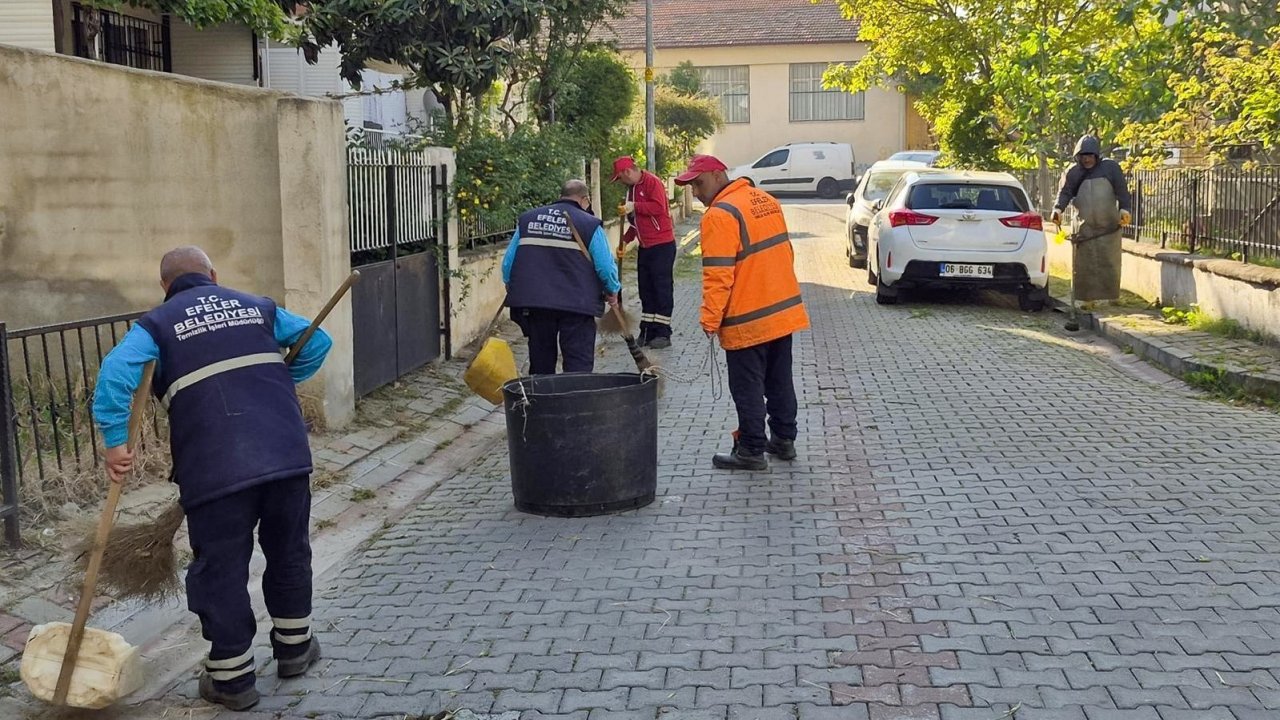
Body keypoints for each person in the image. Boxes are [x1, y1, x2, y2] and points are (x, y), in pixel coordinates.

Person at [92, 246, 331, 712]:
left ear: (165, 286)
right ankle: (296, 649)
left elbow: (116, 374)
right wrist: (282, 381)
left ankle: (232, 679)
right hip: (284, 454)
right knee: (289, 550)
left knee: (220, 568)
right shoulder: (257, 306)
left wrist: (116, 443)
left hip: (215, 468)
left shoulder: (156, 326)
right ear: (213, 275)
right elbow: (317, 341)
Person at [674, 155, 810, 471]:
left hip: (747, 320)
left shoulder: (719, 216)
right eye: (691, 185)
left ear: (719, 175)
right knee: (779, 380)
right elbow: (784, 254)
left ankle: (750, 449)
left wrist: (710, 319)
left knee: (747, 387)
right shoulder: (765, 200)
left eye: (698, 182)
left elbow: (718, 275)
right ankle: (784, 441)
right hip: (781, 313)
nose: (695, 191)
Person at [503, 179, 621, 374]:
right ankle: (574, 400)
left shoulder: (528, 219)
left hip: (536, 303)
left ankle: (542, 399)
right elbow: (605, 266)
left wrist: (510, 283)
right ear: (585, 199)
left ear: (561, 196)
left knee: (541, 361)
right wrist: (612, 290)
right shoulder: (589, 224)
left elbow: (508, 262)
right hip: (577, 304)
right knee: (578, 363)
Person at [1051, 135, 1132, 301]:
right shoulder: (1072, 172)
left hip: (1109, 228)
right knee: (1084, 266)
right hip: (1084, 229)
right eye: (1083, 156)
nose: (1087, 159)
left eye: (1090, 155)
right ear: (1078, 156)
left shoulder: (1111, 168)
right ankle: (1085, 298)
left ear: (1096, 155)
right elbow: (1065, 192)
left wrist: (1125, 209)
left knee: (1108, 263)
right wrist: (1058, 209)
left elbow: (1122, 191)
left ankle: (1110, 297)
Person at [612, 156, 676, 349]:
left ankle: (663, 333)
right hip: (645, 246)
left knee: (661, 289)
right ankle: (647, 331)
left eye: (620, 178)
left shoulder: (652, 182)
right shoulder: (630, 190)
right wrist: (625, 240)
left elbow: (659, 208)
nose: (621, 182)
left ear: (628, 172)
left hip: (662, 245)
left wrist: (635, 206)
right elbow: (636, 222)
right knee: (646, 290)